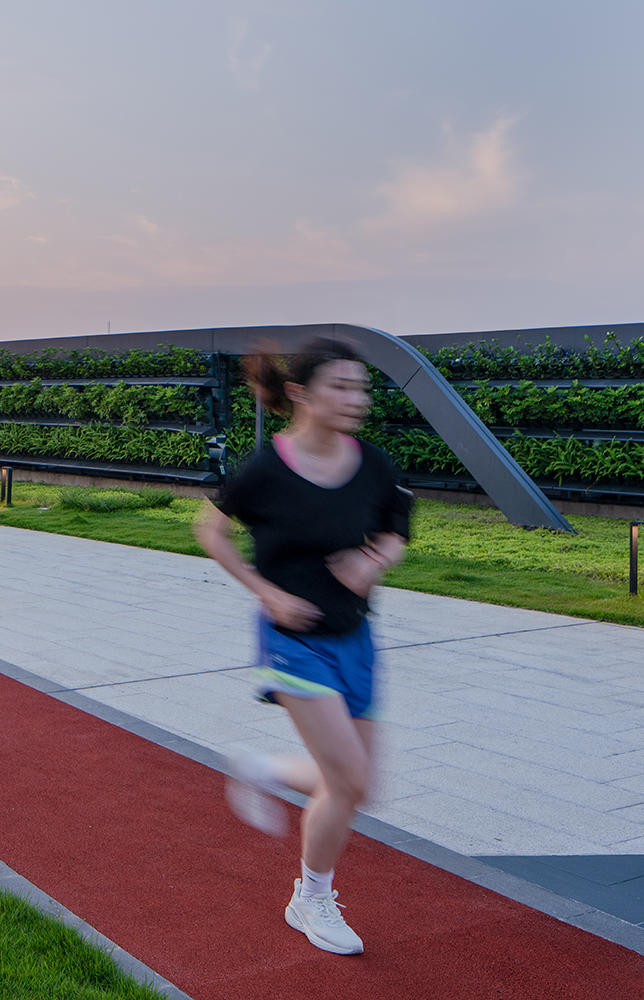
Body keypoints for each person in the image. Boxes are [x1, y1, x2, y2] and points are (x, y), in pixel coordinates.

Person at [194, 337, 412, 956]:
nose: (357, 399)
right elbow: (210, 530)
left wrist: (372, 561)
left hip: (356, 635)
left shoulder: (373, 463)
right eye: (342, 386)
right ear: (300, 393)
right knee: (346, 782)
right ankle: (311, 898)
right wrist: (265, 592)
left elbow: (397, 530)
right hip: (293, 641)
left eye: (362, 387)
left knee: (361, 786)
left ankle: (262, 769)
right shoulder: (267, 469)